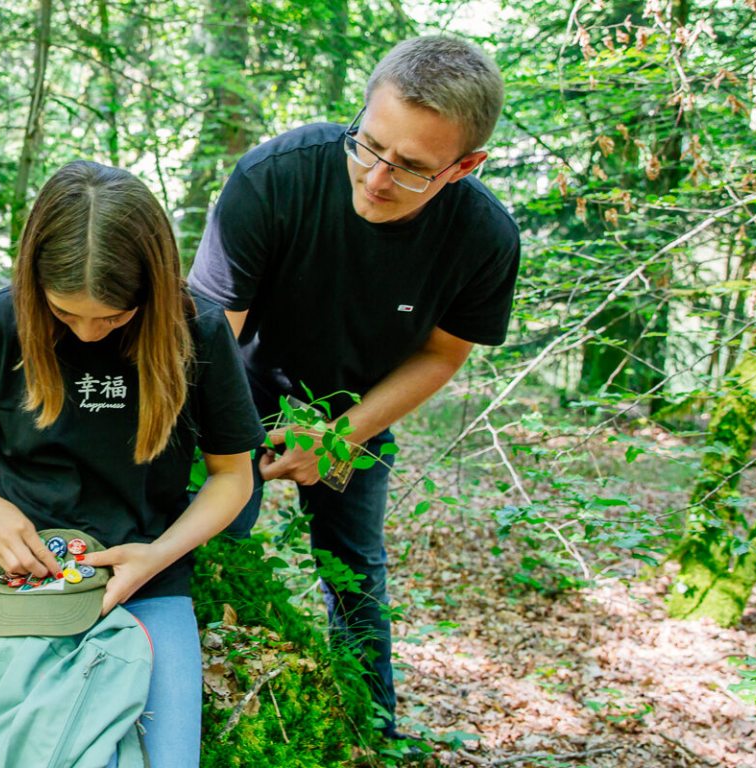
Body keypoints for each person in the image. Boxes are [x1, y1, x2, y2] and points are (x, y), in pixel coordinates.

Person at [188, 35, 521, 741]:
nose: (374, 179)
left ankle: (372, 732)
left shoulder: (484, 238)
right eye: (367, 146)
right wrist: (230, 448)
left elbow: (441, 355)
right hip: (236, 388)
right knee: (216, 545)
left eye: (410, 169)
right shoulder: (275, 177)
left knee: (355, 571)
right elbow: (204, 339)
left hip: (356, 408)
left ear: (464, 167)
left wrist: (340, 436)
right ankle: (214, 714)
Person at [0, 161, 265, 764]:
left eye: (114, 316)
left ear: (150, 289)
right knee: (30, 750)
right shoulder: (1, 322)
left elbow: (233, 476)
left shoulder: (195, 331)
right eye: (66, 313)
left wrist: (157, 556)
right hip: (23, 573)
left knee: (164, 759)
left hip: (149, 573)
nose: (90, 334)